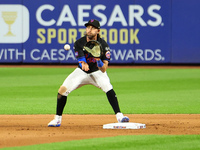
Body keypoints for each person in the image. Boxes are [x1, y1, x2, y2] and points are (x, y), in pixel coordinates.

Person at [48, 19, 129, 127]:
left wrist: (98, 60)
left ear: (98, 31)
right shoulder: (79, 42)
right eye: (88, 27)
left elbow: (104, 69)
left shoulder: (104, 45)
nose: (89, 30)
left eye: (92, 28)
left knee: (108, 88)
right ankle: (57, 120)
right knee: (62, 90)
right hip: (81, 72)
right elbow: (82, 61)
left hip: (97, 72)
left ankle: (120, 116)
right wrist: (83, 64)